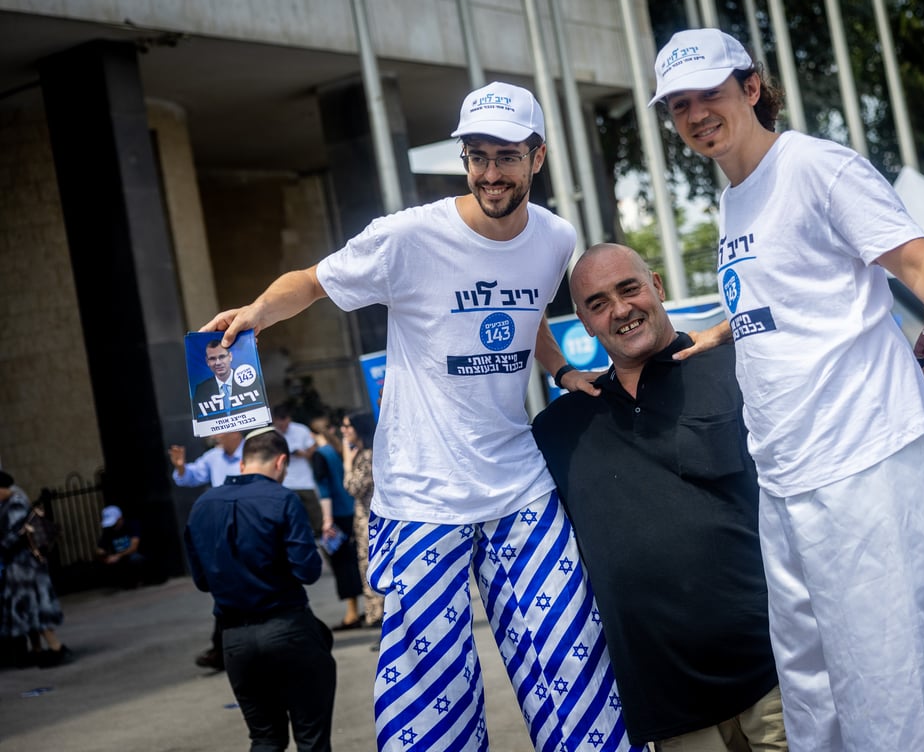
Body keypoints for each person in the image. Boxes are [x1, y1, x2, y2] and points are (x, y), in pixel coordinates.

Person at [199, 82, 641, 752]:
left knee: (575, 663)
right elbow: (312, 281)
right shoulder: (408, 236)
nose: (491, 171)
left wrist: (559, 370)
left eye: (507, 156)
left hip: (518, 483)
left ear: (537, 157)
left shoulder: (556, 237)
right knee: (429, 695)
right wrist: (256, 312)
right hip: (420, 496)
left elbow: (531, 318)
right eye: (477, 155)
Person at [649, 28, 924, 750]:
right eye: (678, 105)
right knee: (813, 686)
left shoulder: (817, 166)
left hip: (862, 454)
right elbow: (782, 296)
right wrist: (720, 333)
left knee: (891, 673)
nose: (696, 114)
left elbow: (918, 263)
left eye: (710, 94)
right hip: (787, 471)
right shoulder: (734, 200)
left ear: (752, 87)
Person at [533, 244, 924, 749]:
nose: (620, 310)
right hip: (670, 708)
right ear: (583, 321)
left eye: (629, 288)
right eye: (598, 303)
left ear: (658, 287)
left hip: (780, 679)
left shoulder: (746, 371)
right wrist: (556, 370)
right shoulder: (562, 430)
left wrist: (903, 390)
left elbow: (843, 438)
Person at [185, 427, 337, 751]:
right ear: (281, 462)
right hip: (287, 627)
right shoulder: (283, 499)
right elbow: (308, 571)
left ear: (242, 464)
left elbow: (201, 581)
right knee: (312, 739)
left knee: (265, 739)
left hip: (235, 640)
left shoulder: (201, 506)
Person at [169, 430, 245, 670]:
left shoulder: (251, 452)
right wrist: (181, 467)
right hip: (223, 529)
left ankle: (224, 648)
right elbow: (190, 477)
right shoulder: (213, 457)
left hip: (247, 523)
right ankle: (222, 647)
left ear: (236, 430)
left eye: (221, 430)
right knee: (226, 589)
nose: (216, 436)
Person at [0, 470, 72, 668]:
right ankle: (40, 650)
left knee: (36, 609)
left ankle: (56, 648)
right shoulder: (8, 504)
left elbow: (14, 536)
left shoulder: (14, 504)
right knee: (29, 610)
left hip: (26, 567)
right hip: (21, 567)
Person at [310, 412, 365, 631]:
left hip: (335, 515)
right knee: (354, 561)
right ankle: (359, 609)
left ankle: (352, 614)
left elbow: (324, 490)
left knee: (342, 566)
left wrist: (326, 520)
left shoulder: (320, 455)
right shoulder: (340, 450)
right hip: (352, 511)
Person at [339, 411, 384, 630]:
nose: (343, 430)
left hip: (371, 522)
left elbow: (353, 487)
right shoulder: (364, 453)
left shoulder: (368, 455)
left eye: (348, 426)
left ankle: (379, 618)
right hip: (364, 521)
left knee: (372, 569)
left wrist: (347, 464)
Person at [272, 404, 323, 533]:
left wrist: (304, 454)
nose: (283, 427)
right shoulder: (271, 434)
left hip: (305, 481)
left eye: (285, 423)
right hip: (285, 483)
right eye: (280, 424)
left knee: (315, 518)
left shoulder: (301, 429)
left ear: (289, 419)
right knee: (290, 520)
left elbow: (313, 447)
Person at [192, 339, 263, 421]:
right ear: (207, 361)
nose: (218, 362)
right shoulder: (201, 390)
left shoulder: (252, 381)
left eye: (222, 357)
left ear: (230, 356)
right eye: (212, 359)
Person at [95, 505, 147, 589]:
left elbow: (134, 547)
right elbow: (100, 547)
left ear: (120, 518)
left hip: (131, 555)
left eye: (114, 522)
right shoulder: (108, 531)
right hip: (119, 558)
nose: (113, 526)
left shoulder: (131, 525)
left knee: (136, 559)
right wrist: (104, 555)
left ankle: (140, 579)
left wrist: (118, 556)